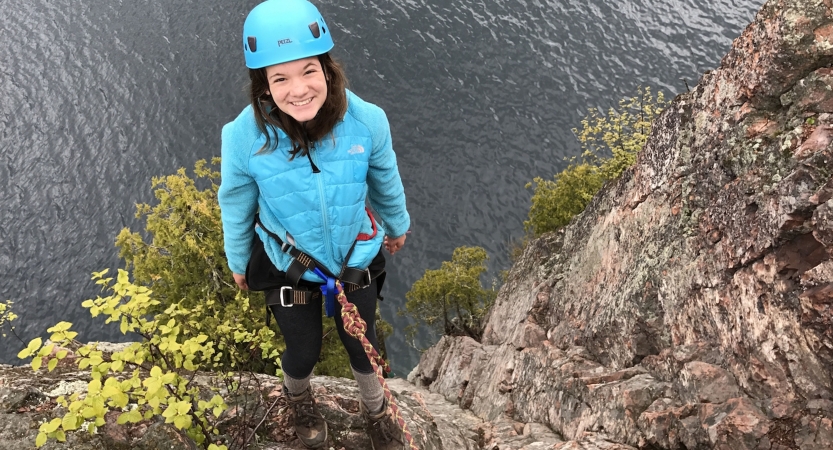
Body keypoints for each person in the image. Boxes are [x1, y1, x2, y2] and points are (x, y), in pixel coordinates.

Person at [217, 0, 410, 448]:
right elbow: (236, 202)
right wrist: (238, 260)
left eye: (308, 71)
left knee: (362, 341)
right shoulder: (244, 136)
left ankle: (376, 409)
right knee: (302, 351)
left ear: (327, 68)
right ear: (264, 85)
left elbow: (384, 178)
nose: (298, 89)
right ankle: (298, 397)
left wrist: (397, 224)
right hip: (289, 262)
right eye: (280, 78)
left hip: (355, 255)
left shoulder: (366, 121)